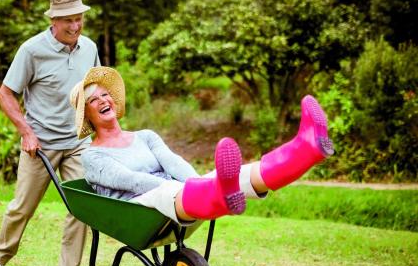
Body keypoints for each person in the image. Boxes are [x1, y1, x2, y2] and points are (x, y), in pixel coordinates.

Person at [69, 67, 334, 223]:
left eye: (106, 95)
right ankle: (214, 193)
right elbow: (132, 181)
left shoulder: (145, 136)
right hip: (138, 208)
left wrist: (198, 182)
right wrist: (192, 188)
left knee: (241, 174)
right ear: (88, 116)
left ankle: (306, 148)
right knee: (183, 190)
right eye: (94, 100)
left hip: (178, 196)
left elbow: (173, 162)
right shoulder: (93, 156)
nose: (104, 100)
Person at [0, 0, 100, 266]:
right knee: (22, 206)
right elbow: (5, 93)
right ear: (54, 21)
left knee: (81, 205)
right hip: (41, 144)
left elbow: (96, 90)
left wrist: (101, 129)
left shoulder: (89, 48)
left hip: (77, 142)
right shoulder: (32, 50)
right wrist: (26, 131)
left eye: (79, 19)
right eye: (69, 21)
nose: (75, 26)